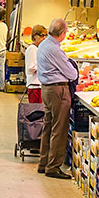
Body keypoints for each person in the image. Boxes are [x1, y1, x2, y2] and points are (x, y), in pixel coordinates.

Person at [36, 18, 78, 179]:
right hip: (57, 90)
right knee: (59, 129)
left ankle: (44, 162)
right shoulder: (55, 49)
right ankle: (53, 167)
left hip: (47, 89)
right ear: (62, 34)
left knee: (48, 126)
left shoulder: (43, 45)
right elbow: (71, 73)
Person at [24, 25, 47, 104]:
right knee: (36, 112)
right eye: (41, 35)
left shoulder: (38, 49)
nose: (44, 38)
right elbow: (31, 68)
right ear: (34, 36)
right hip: (35, 86)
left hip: (39, 85)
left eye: (45, 35)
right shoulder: (32, 49)